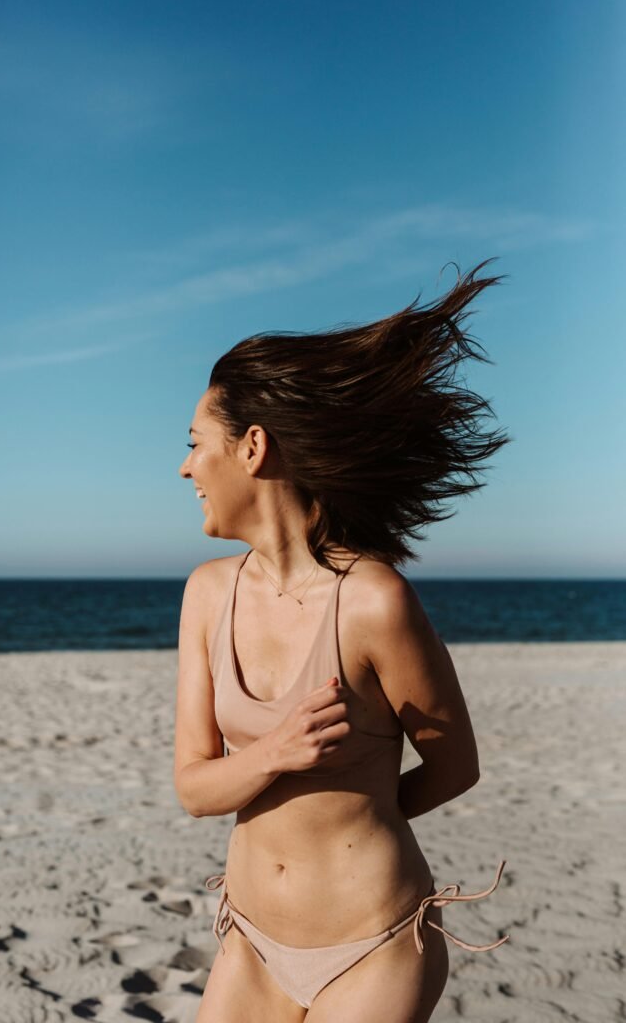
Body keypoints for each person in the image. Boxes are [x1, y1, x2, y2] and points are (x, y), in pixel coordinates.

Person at [174, 259, 512, 1022]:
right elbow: (194, 788)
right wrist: (275, 755)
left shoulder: (373, 601)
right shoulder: (205, 594)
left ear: (252, 447)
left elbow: (455, 767)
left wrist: (355, 818)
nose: (186, 466)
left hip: (374, 944)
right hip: (249, 943)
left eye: (196, 443)